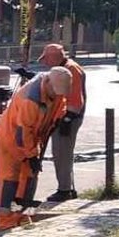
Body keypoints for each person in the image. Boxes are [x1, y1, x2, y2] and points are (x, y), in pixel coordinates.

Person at [0, 67, 71, 229]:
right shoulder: (30, 99)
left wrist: (61, 120)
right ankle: (5, 219)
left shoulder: (54, 89)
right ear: (48, 82)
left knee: (29, 177)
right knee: (10, 179)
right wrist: (31, 155)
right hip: (11, 137)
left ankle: (20, 214)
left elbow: (59, 106)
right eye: (55, 92)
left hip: (30, 138)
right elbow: (24, 132)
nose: (58, 95)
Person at [40, 44, 87, 201]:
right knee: (63, 153)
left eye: (46, 59)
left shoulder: (70, 70)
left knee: (62, 153)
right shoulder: (65, 68)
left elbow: (75, 99)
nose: (45, 63)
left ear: (54, 57)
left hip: (68, 117)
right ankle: (68, 188)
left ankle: (64, 190)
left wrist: (67, 119)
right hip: (65, 116)